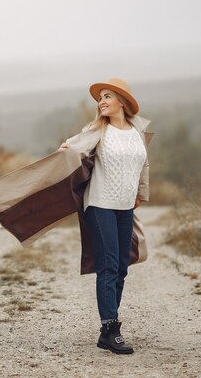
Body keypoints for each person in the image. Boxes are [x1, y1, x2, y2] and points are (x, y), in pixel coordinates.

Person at [61, 77, 151, 355]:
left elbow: (143, 164)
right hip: (99, 204)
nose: (101, 101)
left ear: (122, 102)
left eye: (107, 96)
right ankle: (110, 328)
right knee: (109, 264)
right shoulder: (97, 130)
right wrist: (66, 150)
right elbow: (72, 147)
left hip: (125, 206)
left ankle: (108, 329)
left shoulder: (137, 130)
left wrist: (140, 193)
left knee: (123, 265)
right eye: (99, 98)